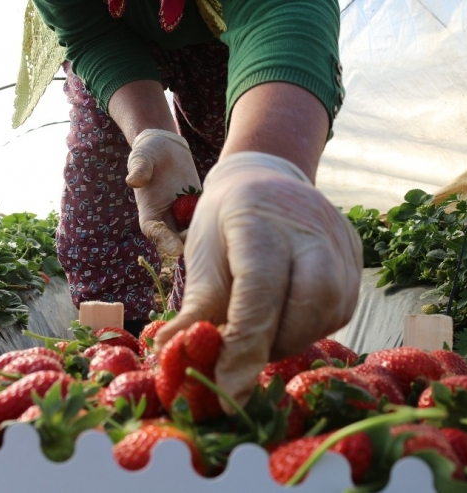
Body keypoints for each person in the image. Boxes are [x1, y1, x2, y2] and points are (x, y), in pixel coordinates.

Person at [28, 0, 363, 411]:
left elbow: (285, 8)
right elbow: (92, 34)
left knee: (226, 173)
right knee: (103, 168)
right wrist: (150, 130)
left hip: (229, 31)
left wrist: (268, 166)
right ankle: (120, 352)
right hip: (112, 26)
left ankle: (207, 337)